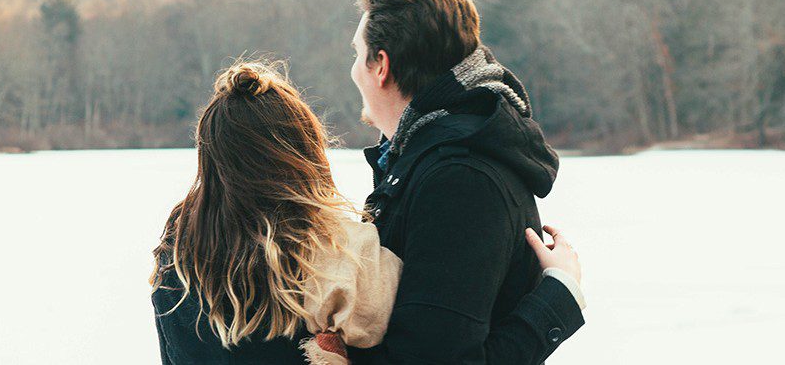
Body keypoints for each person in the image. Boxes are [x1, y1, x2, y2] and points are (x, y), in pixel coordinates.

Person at [150, 61, 582, 364]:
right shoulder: (330, 257)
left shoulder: (175, 260)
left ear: (210, 158)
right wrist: (555, 300)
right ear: (305, 153)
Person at [343, 0, 585, 364]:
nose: (353, 68)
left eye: (356, 53)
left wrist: (558, 299)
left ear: (381, 65)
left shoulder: (459, 179)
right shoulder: (422, 159)